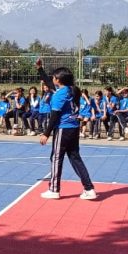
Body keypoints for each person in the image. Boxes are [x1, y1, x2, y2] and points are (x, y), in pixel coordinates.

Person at [36, 60, 97, 200]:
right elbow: (49, 83)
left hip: (63, 129)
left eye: (54, 77)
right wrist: (40, 69)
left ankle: (54, 190)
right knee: (75, 158)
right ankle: (89, 189)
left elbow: (54, 116)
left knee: (56, 158)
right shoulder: (72, 90)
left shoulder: (58, 95)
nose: (52, 79)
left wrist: (46, 134)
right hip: (74, 128)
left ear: (58, 80)